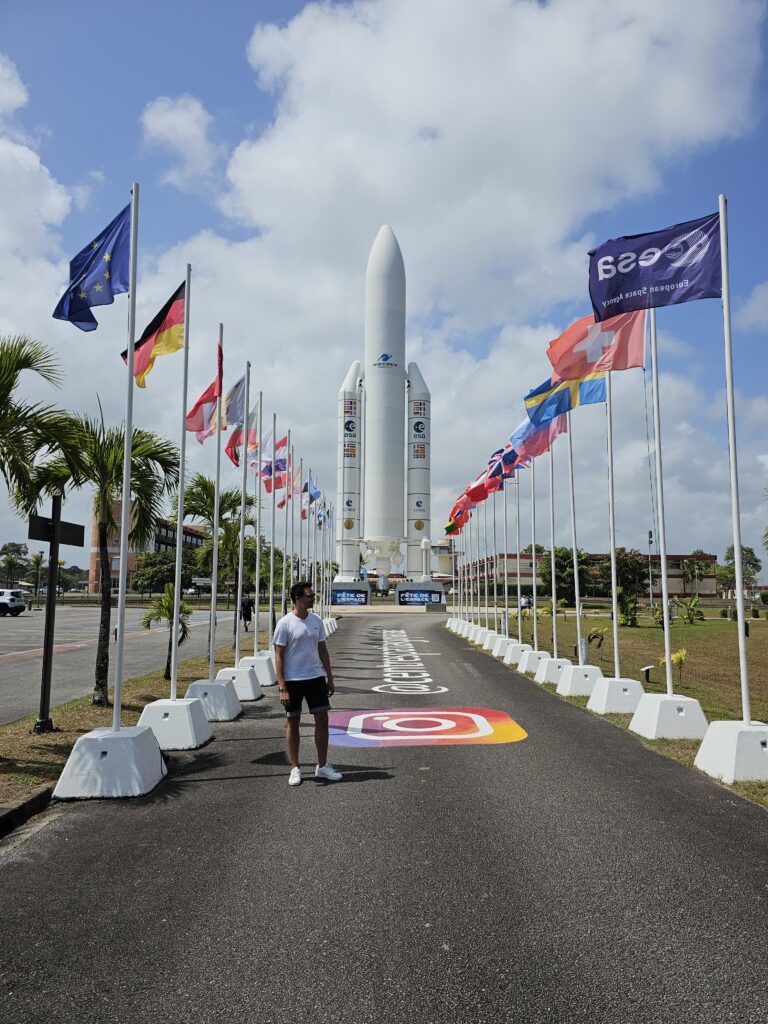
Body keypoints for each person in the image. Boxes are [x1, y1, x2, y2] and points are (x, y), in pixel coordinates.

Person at [273, 581, 341, 786]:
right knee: (293, 722)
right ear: (298, 599)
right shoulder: (285, 623)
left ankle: (322, 766)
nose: (313, 598)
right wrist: (282, 686)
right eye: (310, 596)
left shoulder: (316, 621)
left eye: (313, 595)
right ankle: (295, 768)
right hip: (293, 681)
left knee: (322, 720)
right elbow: (278, 657)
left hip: (315, 678)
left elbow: (322, 650)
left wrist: (329, 677)